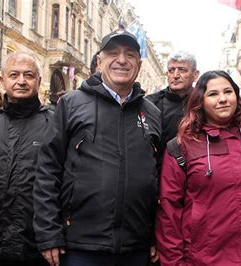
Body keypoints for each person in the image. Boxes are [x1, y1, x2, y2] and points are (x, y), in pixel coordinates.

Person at [33, 29, 162, 266]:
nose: (122, 60)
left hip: (136, 246)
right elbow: (47, 169)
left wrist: (156, 234)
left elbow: (160, 178)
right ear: (100, 62)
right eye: (113, 53)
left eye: (130, 54)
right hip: (81, 246)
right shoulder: (71, 103)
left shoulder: (152, 112)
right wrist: (48, 233)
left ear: (139, 64)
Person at [156, 70, 241, 265]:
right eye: (213, 94)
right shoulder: (181, 147)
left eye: (228, 92)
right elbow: (169, 212)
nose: (222, 99)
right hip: (206, 259)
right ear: (200, 101)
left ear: (237, 97)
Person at [0, 52, 52, 266]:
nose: (21, 81)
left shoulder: (54, 125)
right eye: (14, 74)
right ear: (2, 80)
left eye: (28, 75)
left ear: (39, 81)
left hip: (39, 249)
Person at [146, 50, 199, 157]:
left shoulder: (204, 102)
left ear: (195, 75)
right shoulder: (150, 103)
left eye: (182, 70)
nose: (175, 75)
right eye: (171, 70)